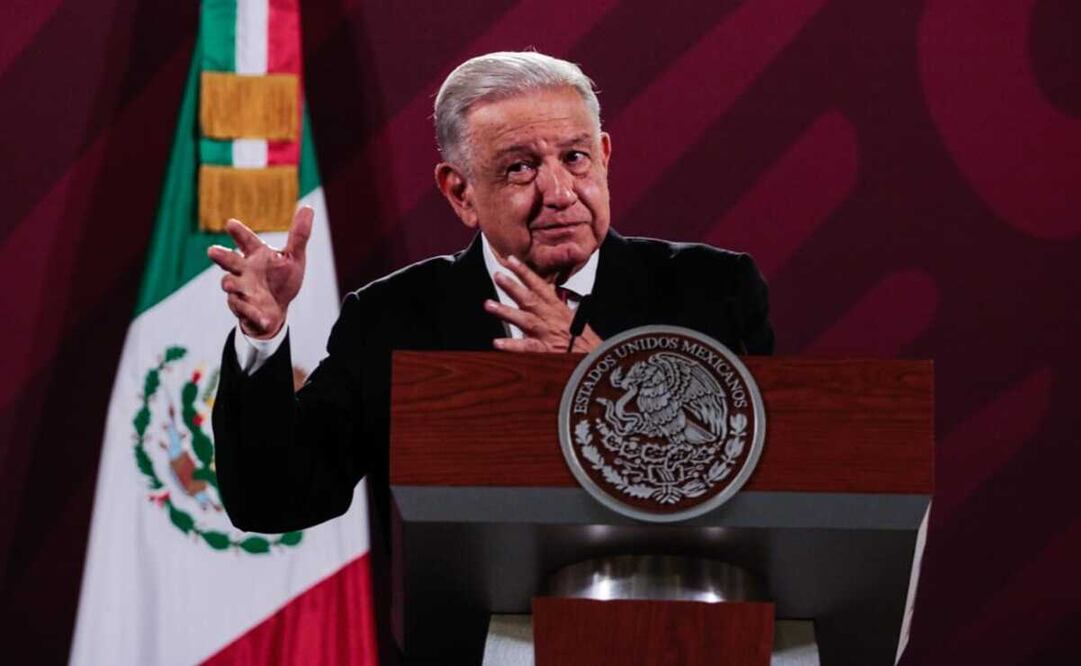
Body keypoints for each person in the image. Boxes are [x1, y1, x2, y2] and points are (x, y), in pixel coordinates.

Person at [209, 51, 773, 662]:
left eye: (575, 157)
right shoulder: (394, 317)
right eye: (520, 168)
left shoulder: (710, 293)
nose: (559, 193)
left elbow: (760, 481)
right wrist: (264, 340)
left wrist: (597, 367)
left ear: (605, 157)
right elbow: (274, 499)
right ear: (460, 193)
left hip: (680, 643)